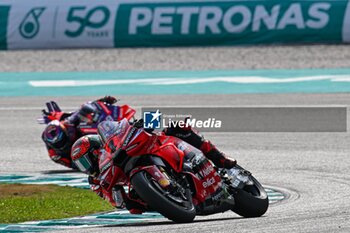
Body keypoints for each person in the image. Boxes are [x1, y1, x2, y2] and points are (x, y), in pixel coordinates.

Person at [71, 120, 236, 214]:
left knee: (177, 126)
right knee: (134, 204)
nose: (87, 167)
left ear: (95, 150)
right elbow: (113, 200)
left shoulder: (110, 147)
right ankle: (173, 197)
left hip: (153, 149)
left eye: (85, 161)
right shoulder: (96, 180)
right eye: (81, 165)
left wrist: (140, 123)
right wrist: (120, 199)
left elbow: (153, 117)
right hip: (141, 191)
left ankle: (220, 158)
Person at [41, 96, 118, 169]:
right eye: (59, 143)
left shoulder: (66, 125)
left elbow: (80, 111)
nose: (60, 145)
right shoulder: (55, 155)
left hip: (86, 135)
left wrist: (101, 101)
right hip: (81, 152)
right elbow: (72, 165)